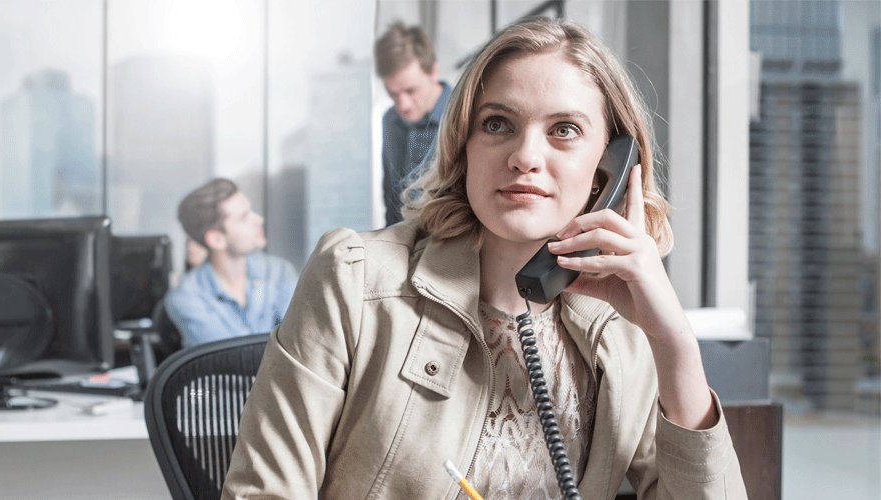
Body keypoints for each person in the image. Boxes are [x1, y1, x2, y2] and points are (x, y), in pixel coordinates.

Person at [222, 17, 746, 500]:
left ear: (609, 169)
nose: (525, 156)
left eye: (564, 130)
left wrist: (674, 344)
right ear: (464, 144)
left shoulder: (621, 329)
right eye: (498, 124)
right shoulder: (354, 280)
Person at [164, 178, 298, 347]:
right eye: (244, 217)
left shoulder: (278, 271)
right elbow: (230, 360)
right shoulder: (186, 297)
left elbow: (301, 342)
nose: (258, 220)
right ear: (217, 239)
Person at [375, 21, 453, 227]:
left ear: (433, 72)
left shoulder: (464, 115)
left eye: (410, 91)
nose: (403, 104)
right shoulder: (390, 120)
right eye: (392, 93)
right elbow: (390, 195)